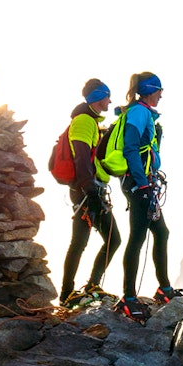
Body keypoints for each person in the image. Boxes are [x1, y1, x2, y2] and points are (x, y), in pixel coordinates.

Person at [117, 72, 180, 307]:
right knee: (137, 238)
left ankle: (164, 288)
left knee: (161, 233)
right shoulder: (139, 112)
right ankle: (129, 297)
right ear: (152, 90)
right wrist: (143, 183)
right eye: (160, 90)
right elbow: (130, 149)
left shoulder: (141, 112)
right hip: (138, 184)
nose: (162, 95)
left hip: (142, 183)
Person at [59, 78, 121, 304]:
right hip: (87, 191)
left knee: (103, 240)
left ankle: (86, 287)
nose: (110, 100)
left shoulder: (89, 121)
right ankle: (68, 293)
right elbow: (81, 155)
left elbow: (90, 154)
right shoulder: (84, 121)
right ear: (98, 97)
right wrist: (90, 189)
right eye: (107, 96)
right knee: (84, 241)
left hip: (90, 189)